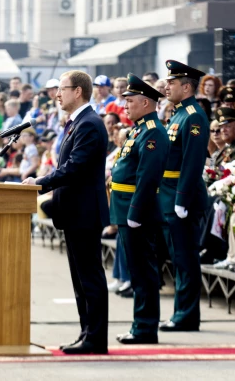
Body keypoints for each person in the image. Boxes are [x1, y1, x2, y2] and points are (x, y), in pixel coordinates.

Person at [22, 70, 109, 354]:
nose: (57, 94)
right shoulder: (77, 122)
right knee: (80, 280)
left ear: (78, 91)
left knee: (89, 278)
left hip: (84, 212)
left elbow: (75, 167)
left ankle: (95, 338)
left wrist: (41, 182)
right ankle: (87, 333)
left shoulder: (89, 124)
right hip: (74, 211)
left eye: (62, 89)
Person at [110, 73, 169, 344]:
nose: (126, 105)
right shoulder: (140, 128)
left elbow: (147, 177)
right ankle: (139, 325)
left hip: (138, 212)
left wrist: (135, 212)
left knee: (144, 273)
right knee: (137, 271)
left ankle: (145, 328)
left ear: (146, 102)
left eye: (130, 100)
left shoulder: (154, 132)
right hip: (125, 208)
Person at [158, 60, 209, 332]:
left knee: (186, 259)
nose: (167, 86)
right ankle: (181, 312)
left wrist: (181, 199)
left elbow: (192, 161)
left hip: (183, 199)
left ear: (186, 87)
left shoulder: (194, 116)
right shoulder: (177, 114)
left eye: (172, 82)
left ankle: (186, 316)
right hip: (168, 195)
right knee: (178, 259)